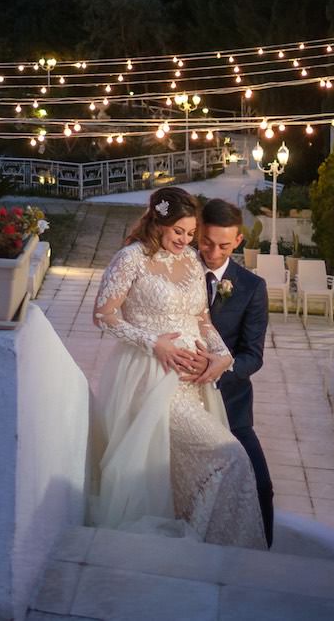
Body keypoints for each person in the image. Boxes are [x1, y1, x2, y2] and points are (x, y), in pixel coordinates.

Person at [87, 187, 266, 548]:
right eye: (178, 232)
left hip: (195, 382)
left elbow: (201, 317)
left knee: (189, 465)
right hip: (153, 378)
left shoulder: (191, 261)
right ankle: (205, 542)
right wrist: (154, 343)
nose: (185, 241)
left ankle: (204, 538)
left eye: (189, 234)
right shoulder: (130, 259)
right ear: (158, 223)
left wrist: (221, 357)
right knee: (228, 455)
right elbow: (102, 315)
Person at [196, 197, 272, 546]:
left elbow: (253, 357)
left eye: (224, 245)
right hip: (181, 398)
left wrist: (220, 367)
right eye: (206, 242)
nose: (213, 252)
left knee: (260, 486)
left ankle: (262, 556)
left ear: (239, 240)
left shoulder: (253, 287)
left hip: (232, 404)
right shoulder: (178, 273)